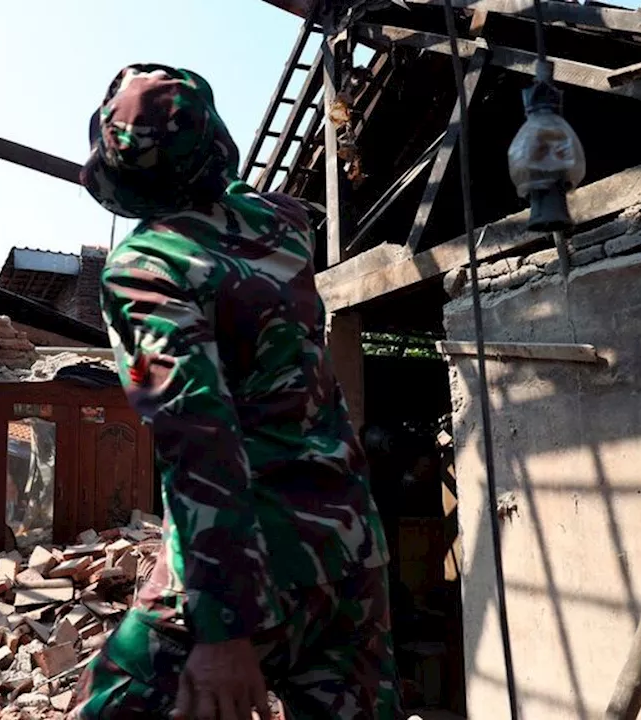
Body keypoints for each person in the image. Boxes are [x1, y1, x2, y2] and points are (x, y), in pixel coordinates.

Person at [71, 64, 400, 720]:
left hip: (252, 565)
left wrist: (222, 631)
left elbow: (200, 440)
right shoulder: (286, 226)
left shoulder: (145, 268)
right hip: (349, 554)